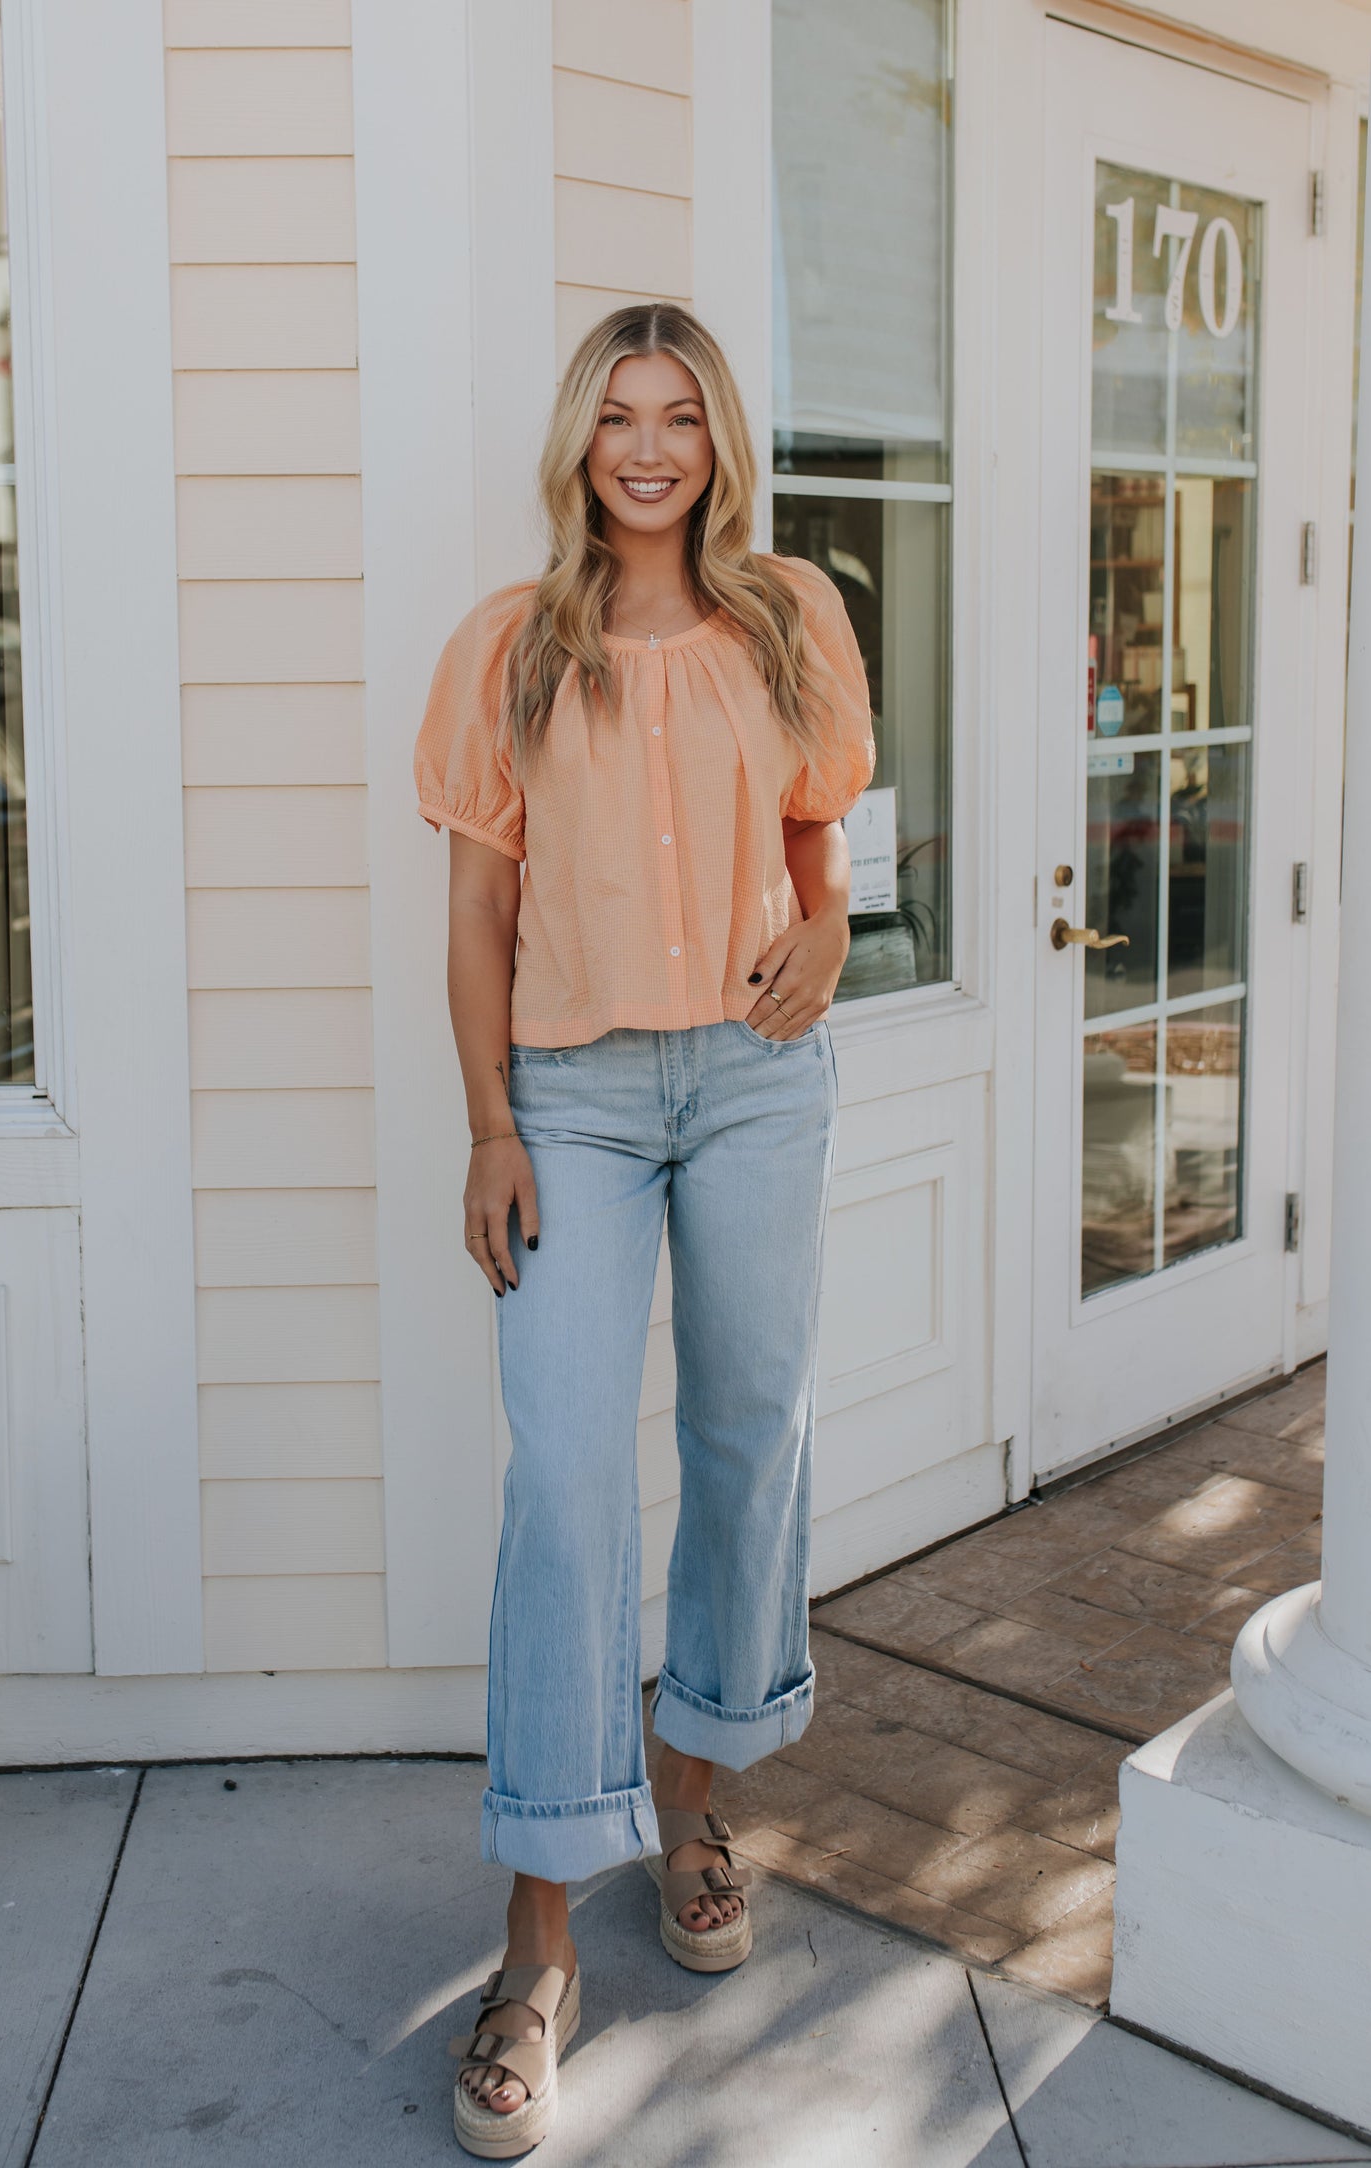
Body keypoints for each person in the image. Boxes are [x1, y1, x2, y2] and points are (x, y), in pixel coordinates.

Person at [413, 301, 876, 2159]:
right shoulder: (507, 648)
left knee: (747, 1429)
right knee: (563, 1485)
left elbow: (827, 831)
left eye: (680, 415)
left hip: (757, 1076)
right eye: (620, 415)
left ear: (719, 439)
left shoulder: (792, 618)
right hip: (576, 1101)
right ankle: (537, 1937)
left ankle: (690, 1798)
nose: (651, 447)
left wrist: (834, 924)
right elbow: (472, 917)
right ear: (578, 442)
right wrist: (489, 1132)